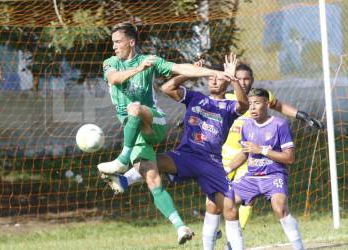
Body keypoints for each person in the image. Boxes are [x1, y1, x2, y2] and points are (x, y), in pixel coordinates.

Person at [97, 22, 234, 244]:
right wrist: (137, 70)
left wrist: (213, 71)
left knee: (135, 108)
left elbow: (180, 68)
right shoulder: (110, 63)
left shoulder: (149, 61)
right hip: (136, 132)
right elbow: (115, 79)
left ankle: (122, 161)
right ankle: (181, 227)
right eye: (113, 42)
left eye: (118, 42)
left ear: (131, 42)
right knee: (152, 178)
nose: (114, 47)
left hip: (154, 121)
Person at [220, 63, 324, 230]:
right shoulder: (227, 98)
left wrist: (302, 116)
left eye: (246, 79)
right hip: (225, 154)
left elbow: (281, 106)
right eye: (239, 79)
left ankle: (236, 235)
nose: (243, 82)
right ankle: (216, 230)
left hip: (248, 154)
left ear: (252, 80)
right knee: (216, 200)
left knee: (247, 199)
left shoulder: (262, 97)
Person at [228, 88, 304, 250]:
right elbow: (244, 153)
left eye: (256, 103)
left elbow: (289, 158)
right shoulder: (246, 125)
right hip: (251, 178)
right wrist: (227, 169)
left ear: (267, 104)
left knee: (279, 208)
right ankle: (233, 246)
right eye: (249, 104)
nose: (252, 107)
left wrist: (262, 150)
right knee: (227, 203)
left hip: (274, 175)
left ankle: (299, 246)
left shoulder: (279, 124)